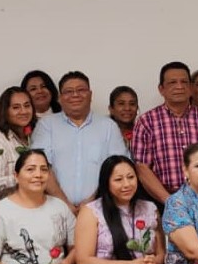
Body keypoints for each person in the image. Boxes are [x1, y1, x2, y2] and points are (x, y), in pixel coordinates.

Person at [131, 62, 198, 201]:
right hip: (163, 201)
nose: (179, 87)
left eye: (184, 82)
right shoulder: (146, 121)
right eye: (172, 82)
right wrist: (170, 201)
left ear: (191, 88)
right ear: (161, 89)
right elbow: (142, 168)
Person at [35, 71, 129, 212]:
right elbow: (40, 167)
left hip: (100, 209)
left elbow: (118, 168)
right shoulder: (46, 125)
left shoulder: (108, 126)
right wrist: (65, 203)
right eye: (68, 91)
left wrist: (92, 202)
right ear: (60, 98)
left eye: (81, 90)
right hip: (54, 208)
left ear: (90, 95)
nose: (75, 95)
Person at [0, 86, 35, 203]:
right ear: (5, 111)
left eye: (27, 105)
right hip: (6, 211)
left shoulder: (33, 136)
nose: (23, 111)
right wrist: (22, 177)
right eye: (16, 107)